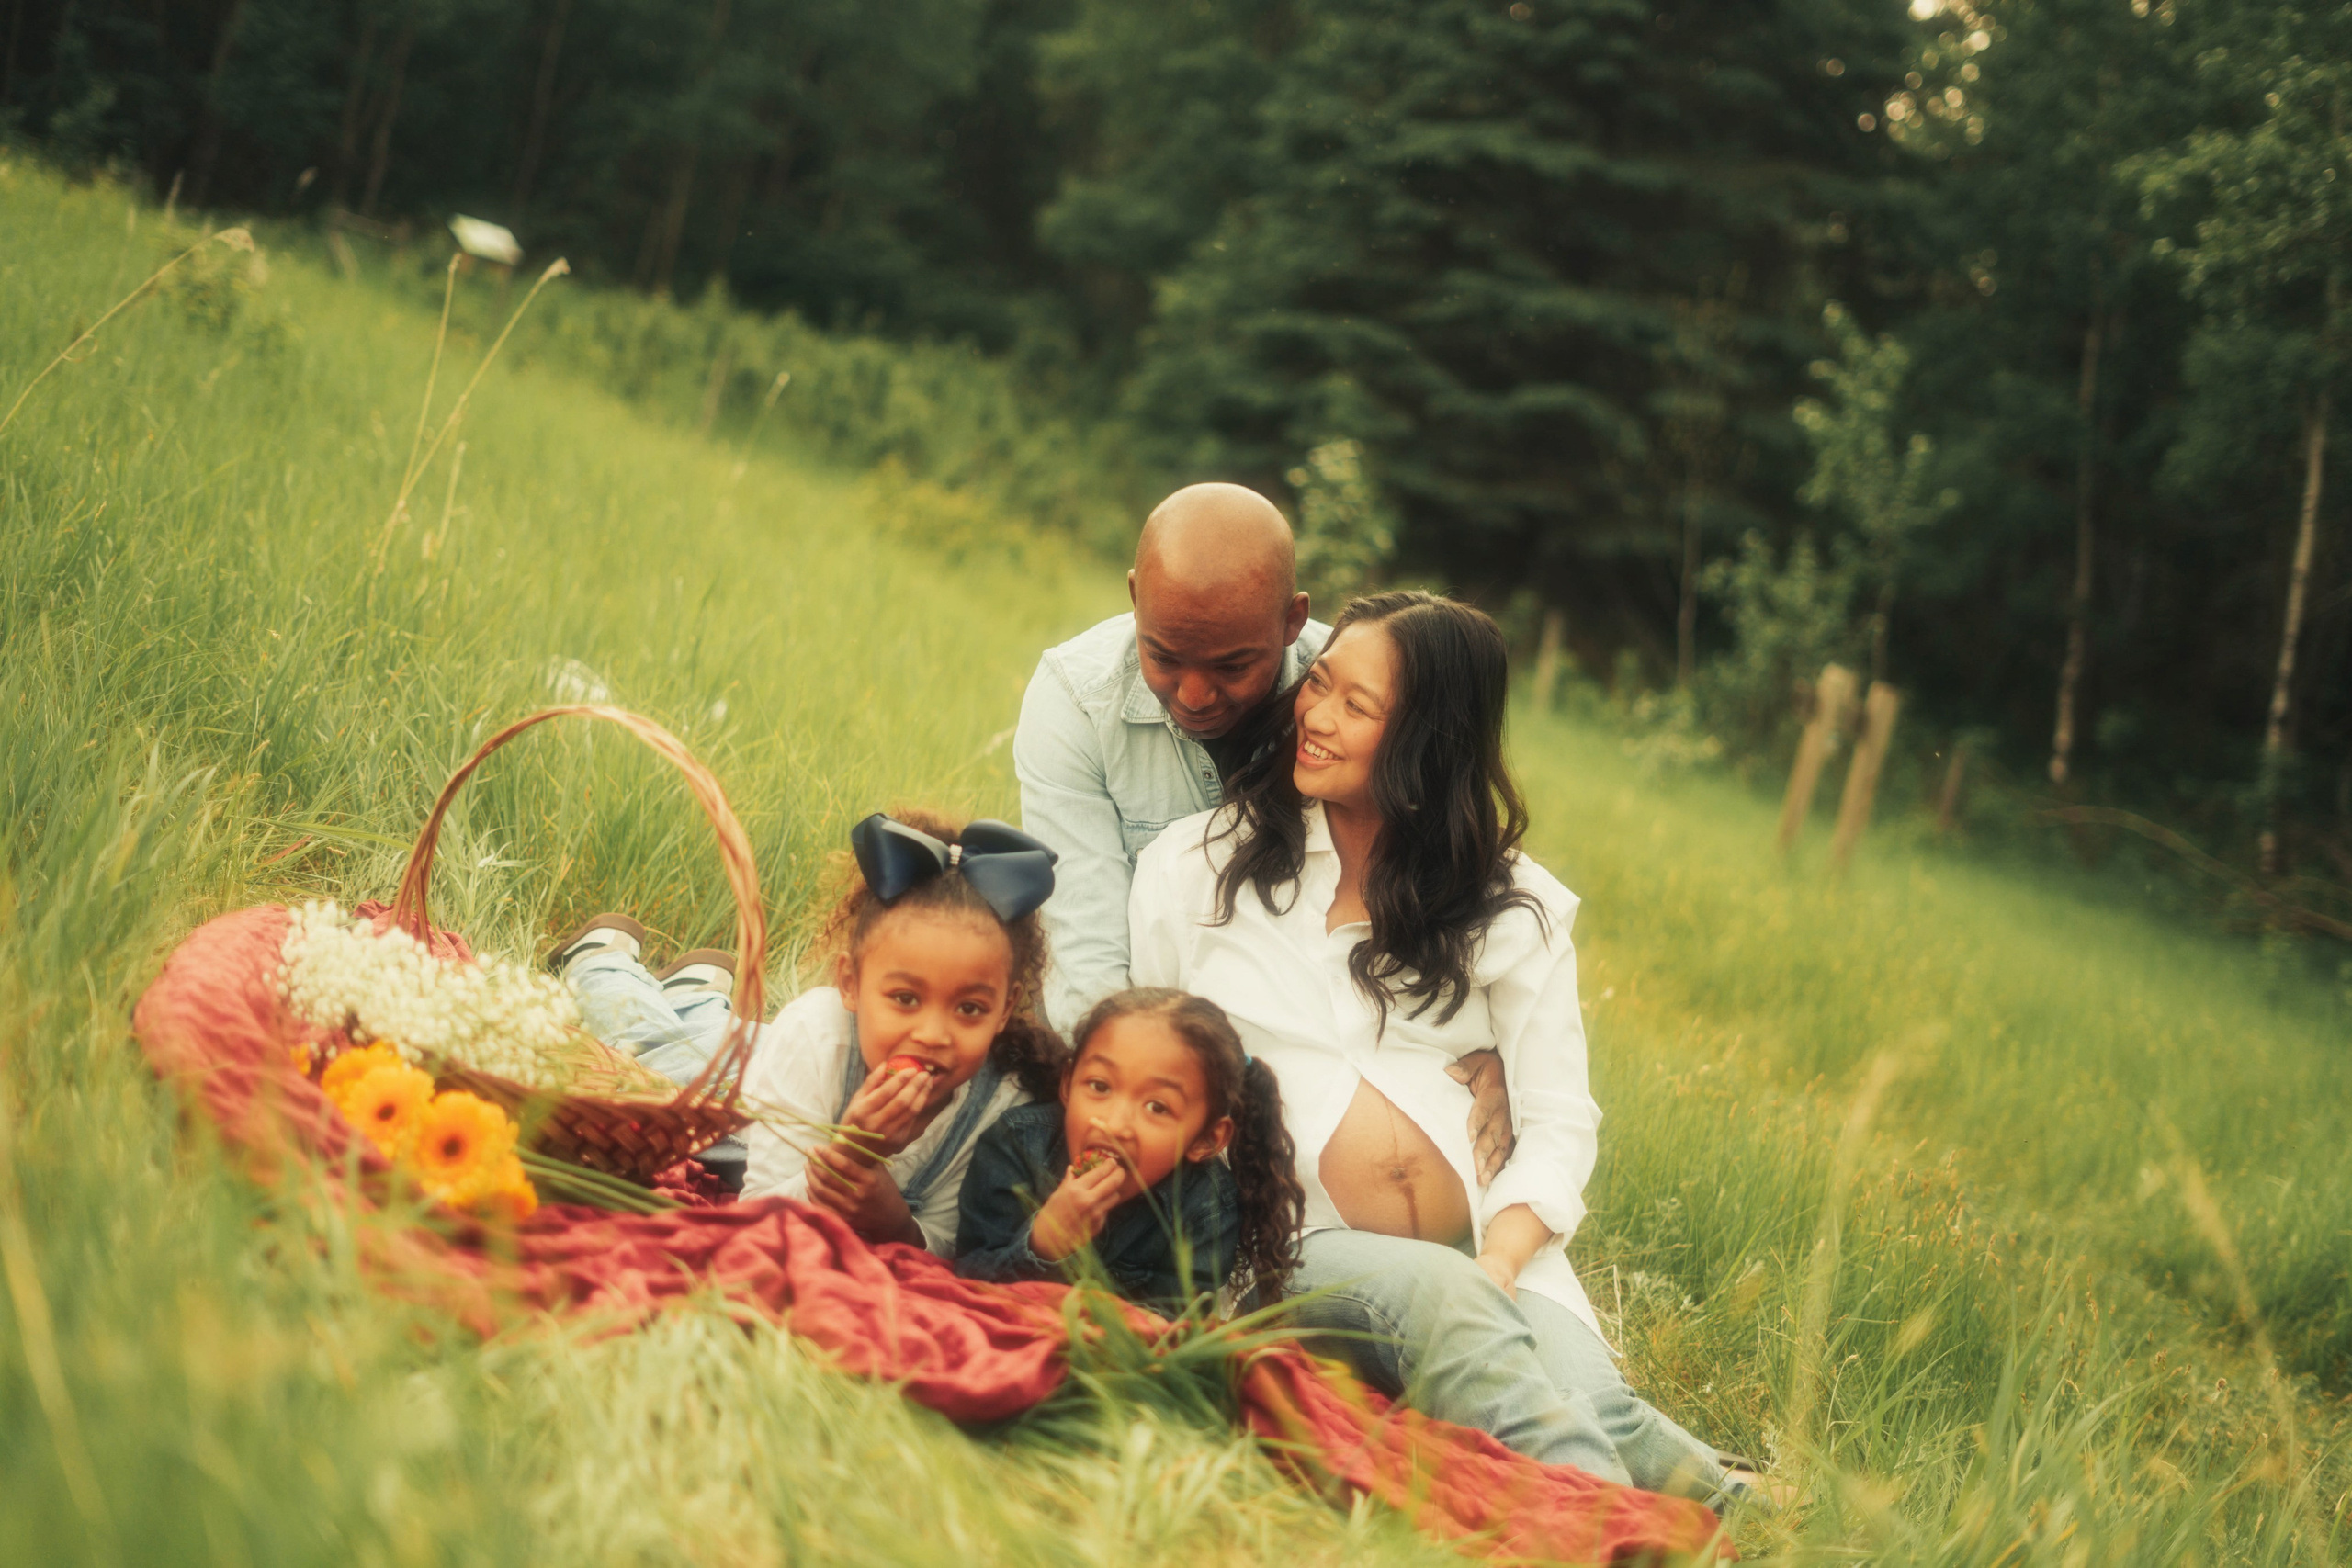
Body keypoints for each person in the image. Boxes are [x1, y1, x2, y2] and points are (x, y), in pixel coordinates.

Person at [1127, 590, 1754, 1509]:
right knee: (1464, 1327)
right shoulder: (1195, 871)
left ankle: (1750, 1513)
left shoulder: (1513, 909)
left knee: (1589, 1401)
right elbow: (1148, 1065)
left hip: (1490, 1256)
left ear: (1430, 740)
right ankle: (1615, 1530)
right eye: (1321, 686)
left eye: (1358, 706)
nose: (1317, 716)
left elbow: (1557, 1123)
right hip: (1283, 1247)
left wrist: (1496, 1268)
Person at [1014, 481, 1516, 1182]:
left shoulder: (1351, 690)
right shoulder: (1074, 700)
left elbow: (1440, 868)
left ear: (1291, 621)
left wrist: (1500, 1052)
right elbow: (1089, 967)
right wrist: (1172, 1107)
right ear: (1134, 595)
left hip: (1308, 1064)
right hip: (1141, 1077)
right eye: (1163, 656)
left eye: (1231, 666)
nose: (1193, 695)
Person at [553, 810, 1065, 1255]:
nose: (933, 1034)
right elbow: (759, 1208)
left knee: (723, 1040)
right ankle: (601, 960)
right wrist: (848, 1159)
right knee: (660, 1056)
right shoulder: (816, 1035)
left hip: (770, 1056)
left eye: (970, 1008)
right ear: (850, 983)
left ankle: (697, 996)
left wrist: (896, 1225)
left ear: (1006, 1011)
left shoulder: (1001, 1102)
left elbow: (946, 1238)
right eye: (905, 999)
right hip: (749, 1097)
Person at [956, 987, 1304, 1312]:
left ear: (1206, 1140)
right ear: (1067, 1085)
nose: (1115, 1124)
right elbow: (967, 1285)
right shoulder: (1017, 1144)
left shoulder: (1207, 1206)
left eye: (1157, 1107)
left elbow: (1171, 1330)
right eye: (1099, 1086)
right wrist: (1043, 1244)